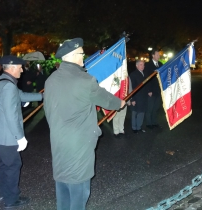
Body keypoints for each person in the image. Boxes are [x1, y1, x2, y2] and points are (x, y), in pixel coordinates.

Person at [44, 38, 125, 210]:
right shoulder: (85, 80)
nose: (83, 56)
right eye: (81, 53)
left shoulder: (50, 80)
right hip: (79, 145)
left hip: (58, 140)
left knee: (63, 188)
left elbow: (49, 111)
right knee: (79, 192)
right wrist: (120, 103)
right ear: (72, 56)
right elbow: (107, 100)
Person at [0, 55, 43, 209]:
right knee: (12, 165)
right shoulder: (9, 85)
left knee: (4, 165)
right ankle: (11, 199)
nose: (22, 70)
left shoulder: (2, 81)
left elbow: (21, 96)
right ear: (12, 68)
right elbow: (11, 114)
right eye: (20, 68)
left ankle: (3, 193)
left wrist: (44, 96)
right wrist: (20, 137)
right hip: (7, 135)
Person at [144, 49, 163, 129]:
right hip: (151, 90)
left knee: (156, 107)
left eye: (159, 55)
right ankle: (149, 123)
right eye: (157, 55)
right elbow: (146, 79)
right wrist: (148, 90)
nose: (159, 56)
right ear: (153, 55)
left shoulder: (161, 64)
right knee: (150, 108)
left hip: (158, 90)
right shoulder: (148, 65)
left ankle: (155, 122)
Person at [129, 60, 148, 133]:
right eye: (141, 65)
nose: (143, 66)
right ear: (137, 66)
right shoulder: (133, 74)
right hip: (136, 97)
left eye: (143, 65)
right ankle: (134, 128)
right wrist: (132, 99)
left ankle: (139, 127)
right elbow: (132, 87)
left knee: (142, 113)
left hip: (143, 97)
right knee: (135, 113)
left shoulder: (145, 74)